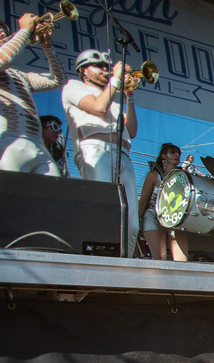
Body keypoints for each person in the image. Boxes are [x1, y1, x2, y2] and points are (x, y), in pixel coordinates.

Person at [62, 49, 139, 256]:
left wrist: (129, 95)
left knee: (131, 223)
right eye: (99, 66)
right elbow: (97, 107)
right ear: (83, 70)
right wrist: (115, 79)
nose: (104, 69)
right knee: (104, 213)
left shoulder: (114, 101)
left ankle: (125, 268)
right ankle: (99, 263)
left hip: (123, 155)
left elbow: (131, 129)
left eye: (107, 66)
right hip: (95, 149)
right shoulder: (73, 87)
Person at [0, 14, 67, 175]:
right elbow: (5, 58)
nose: (3, 34)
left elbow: (58, 80)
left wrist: (47, 47)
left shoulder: (20, 75)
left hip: (38, 145)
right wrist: (24, 31)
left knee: (55, 196)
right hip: (8, 141)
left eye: (4, 31)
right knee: (12, 196)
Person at [136, 142, 188, 261]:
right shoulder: (154, 175)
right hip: (153, 214)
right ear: (163, 156)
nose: (177, 155)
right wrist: (135, 222)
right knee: (160, 258)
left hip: (174, 217)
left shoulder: (182, 177)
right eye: (172, 152)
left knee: (182, 260)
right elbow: (143, 200)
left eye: (178, 153)